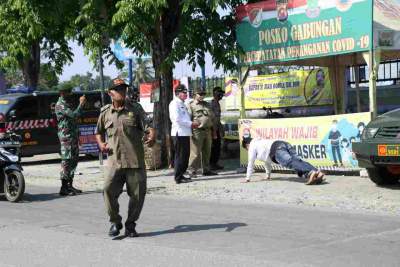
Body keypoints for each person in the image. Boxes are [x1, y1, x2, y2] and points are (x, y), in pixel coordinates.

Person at [95, 79, 156, 238]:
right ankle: (115, 221)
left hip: (134, 160)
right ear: (110, 93)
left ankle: (130, 225)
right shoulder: (105, 112)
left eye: (123, 89)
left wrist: (152, 136)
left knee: (137, 196)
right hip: (114, 161)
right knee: (108, 190)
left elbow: (149, 127)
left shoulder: (135, 109)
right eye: (118, 89)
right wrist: (101, 144)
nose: (122, 91)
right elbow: (98, 131)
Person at [242, 137, 324, 185]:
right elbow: (266, 162)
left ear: (247, 145)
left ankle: (310, 172)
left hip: (276, 149)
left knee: (289, 162)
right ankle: (317, 172)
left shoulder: (252, 146)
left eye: (246, 149)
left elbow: (251, 162)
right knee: (297, 161)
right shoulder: (260, 142)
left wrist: (247, 178)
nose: (248, 150)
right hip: (283, 143)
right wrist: (268, 175)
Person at [55, 83, 86, 196]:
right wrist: (81, 104)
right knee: (66, 161)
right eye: (68, 92)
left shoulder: (67, 104)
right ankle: (63, 188)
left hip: (72, 137)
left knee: (73, 160)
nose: (70, 95)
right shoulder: (60, 105)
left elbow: (75, 120)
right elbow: (74, 115)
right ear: (62, 93)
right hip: (66, 138)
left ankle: (70, 186)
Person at [169, 85, 199, 184]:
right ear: (178, 93)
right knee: (180, 156)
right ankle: (178, 177)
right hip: (179, 133)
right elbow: (177, 119)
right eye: (184, 92)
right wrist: (191, 124)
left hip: (185, 133)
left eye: (186, 92)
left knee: (185, 156)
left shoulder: (182, 103)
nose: (186, 94)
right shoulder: (174, 104)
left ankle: (181, 174)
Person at [187, 88, 218, 177]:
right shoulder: (191, 105)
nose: (202, 96)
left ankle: (206, 169)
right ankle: (192, 171)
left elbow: (212, 118)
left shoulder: (207, 104)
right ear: (195, 94)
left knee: (207, 151)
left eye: (203, 94)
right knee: (195, 152)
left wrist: (214, 132)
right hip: (197, 131)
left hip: (208, 130)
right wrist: (190, 132)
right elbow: (188, 119)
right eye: (200, 94)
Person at [210, 86, 225, 170]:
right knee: (214, 147)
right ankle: (211, 164)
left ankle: (215, 163)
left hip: (217, 129)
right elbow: (213, 119)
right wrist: (214, 131)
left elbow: (218, 119)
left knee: (217, 147)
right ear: (215, 94)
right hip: (213, 129)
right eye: (220, 93)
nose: (221, 95)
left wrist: (221, 129)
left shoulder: (217, 103)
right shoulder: (212, 104)